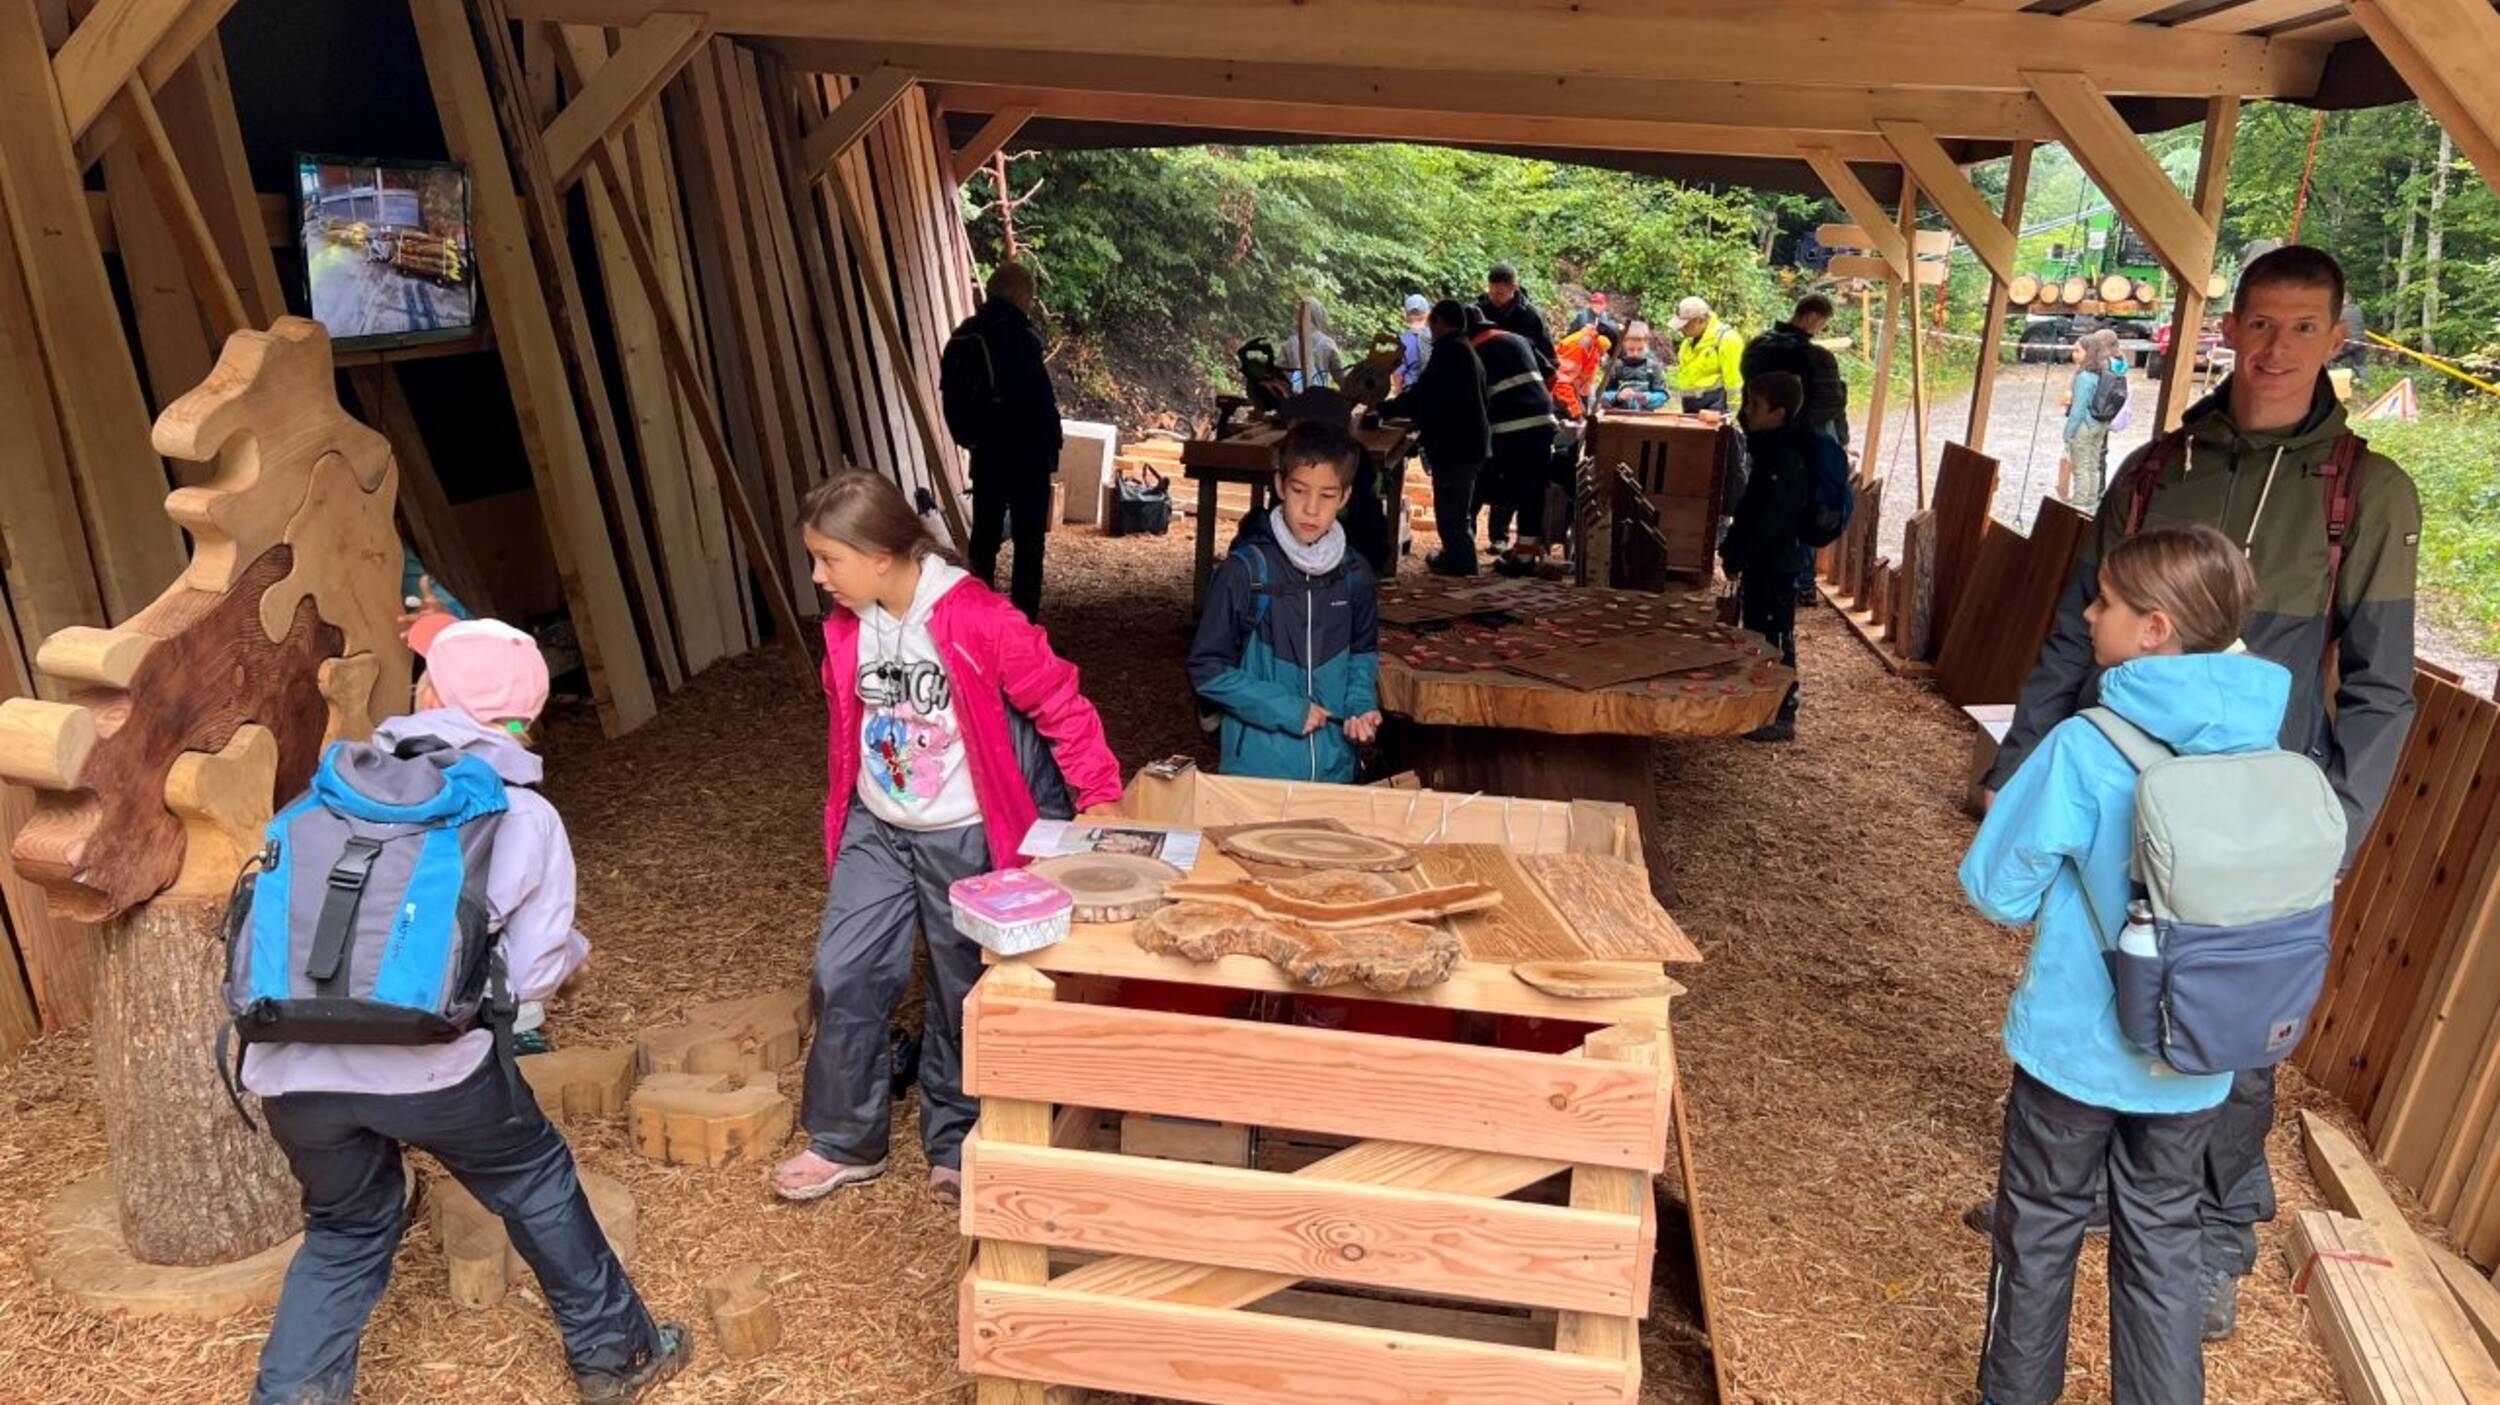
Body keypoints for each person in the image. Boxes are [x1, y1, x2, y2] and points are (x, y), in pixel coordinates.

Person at [1973, 245, 2421, 1341]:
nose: (2275, 348)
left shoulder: (2366, 491)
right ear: (2228, 328)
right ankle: (2076, 1193)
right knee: (2098, 974)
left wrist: (2335, 828)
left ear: (2335, 338)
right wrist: (2020, 764)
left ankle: (2215, 1234)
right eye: (2258, 323)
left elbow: (2380, 685)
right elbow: (2073, 630)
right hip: (2127, 786)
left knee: (2230, 1019)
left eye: (2302, 327)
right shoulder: (2152, 471)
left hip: (2253, 817)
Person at [245, 617, 690, 1405]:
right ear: (529, 716)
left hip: (291, 1065)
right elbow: (535, 970)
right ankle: (615, 1354)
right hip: (435, 1064)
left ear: (428, 697)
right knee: (533, 1177)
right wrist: (565, 963)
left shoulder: (324, 795)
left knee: (345, 1228)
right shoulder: (521, 814)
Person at [1963, 525, 2275, 1405]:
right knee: (2165, 1237)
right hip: (2197, 1048)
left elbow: (1996, 889)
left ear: (2155, 628)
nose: (2089, 614)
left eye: (2105, 602)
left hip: (2077, 1045)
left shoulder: (2087, 746)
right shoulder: (2266, 748)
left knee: (2040, 1226)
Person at [771, 471, 1123, 1207]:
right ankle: (844, 1139)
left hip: (963, 833)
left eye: (828, 559)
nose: (818, 576)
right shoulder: (849, 623)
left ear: (881, 557)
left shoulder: (978, 618)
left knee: (965, 986)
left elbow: (1059, 700)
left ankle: (958, 1135)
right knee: (842, 969)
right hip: (878, 825)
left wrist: (1100, 796)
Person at [1187, 421, 1382, 783]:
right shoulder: (1244, 572)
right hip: (1257, 775)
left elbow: (1362, 654)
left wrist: (1360, 708)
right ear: (1279, 485)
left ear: (1345, 497)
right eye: (1299, 490)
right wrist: (1288, 710)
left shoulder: (1355, 574)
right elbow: (1207, 670)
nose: (1311, 509)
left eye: (1327, 495)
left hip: (1335, 774)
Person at [942, 262, 1062, 622]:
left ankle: (976, 619)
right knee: (1028, 545)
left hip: (986, 454)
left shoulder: (965, 335)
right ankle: (1022, 625)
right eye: (1029, 298)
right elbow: (1037, 401)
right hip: (1026, 456)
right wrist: (1050, 445)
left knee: (984, 541)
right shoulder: (1019, 337)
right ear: (1019, 296)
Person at [1720, 372, 1813, 743]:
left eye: (1755, 405)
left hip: (1776, 562)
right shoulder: (1769, 448)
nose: (1747, 411)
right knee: (1758, 630)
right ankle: (1760, 701)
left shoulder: (1784, 459)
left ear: (1779, 413)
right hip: (1764, 561)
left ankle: (1782, 711)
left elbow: (1766, 519)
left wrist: (1737, 553)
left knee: (1774, 635)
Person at [1376, 299, 1490, 577]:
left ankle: (1462, 569)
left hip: (1457, 447)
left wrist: (1384, 409)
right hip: (1467, 444)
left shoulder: (1451, 351)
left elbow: (1423, 396)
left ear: (1439, 322)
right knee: (1455, 511)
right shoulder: (1464, 349)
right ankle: (1455, 559)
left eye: (1432, 322)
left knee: (1451, 513)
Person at [1466, 306, 1561, 578]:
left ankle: (1461, 549)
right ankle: (1525, 557)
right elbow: (1551, 376)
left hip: (1509, 428)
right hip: (1543, 423)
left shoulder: (1473, 352)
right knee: (1533, 490)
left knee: (1481, 484)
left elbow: (1469, 402)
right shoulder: (1518, 339)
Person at [1741, 293, 1850, 445]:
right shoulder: (1816, 356)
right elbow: (1832, 404)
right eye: (1822, 324)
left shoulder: (1756, 345)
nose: (1820, 330)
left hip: (1758, 429)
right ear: (1812, 317)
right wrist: (1843, 441)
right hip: (1802, 440)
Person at [2062, 329, 2128, 509]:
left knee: (2081, 468)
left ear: (2088, 352)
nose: (2073, 354)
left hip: (2085, 425)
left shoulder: (2084, 377)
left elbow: (2078, 410)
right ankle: (2092, 502)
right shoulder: (2102, 373)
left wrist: (2068, 433)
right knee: (2093, 465)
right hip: (2100, 424)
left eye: (2077, 351)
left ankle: (2079, 503)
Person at [1670, 295, 1746, 415]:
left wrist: (1735, 415)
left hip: (1717, 411)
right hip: (1691, 410)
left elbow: (1735, 382)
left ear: (1700, 320)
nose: (1681, 329)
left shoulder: (1727, 339)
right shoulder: (1687, 343)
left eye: (1685, 324)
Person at [1476, 263, 1557, 373]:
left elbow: (1550, 359)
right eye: (1491, 292)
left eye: (1500, 294)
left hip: (1524, 376)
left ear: (1514, 288)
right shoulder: (1478, 312)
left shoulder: (1532, 316)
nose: (1494, 298)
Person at [1277, 294, 1346, 391]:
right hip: (1319, 396)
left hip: (1295, 398)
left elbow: (1278, 373)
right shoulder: (1328, 344)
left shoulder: (1290, 344)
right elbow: (1340, 376)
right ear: (1319, 316)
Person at [1550, 318, 1613, 423]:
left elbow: (1585, 385)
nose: (1604, 356)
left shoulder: (1593, 349)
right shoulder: (1578, 346)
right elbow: (1560, 384)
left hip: (1568, 399)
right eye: (1605, 352)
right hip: (1554, 399)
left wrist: (1587, 409)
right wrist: (1577, 414)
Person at [1602, 320, 1670, 411]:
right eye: (1631, 349)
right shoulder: (1615, 367)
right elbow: (1601, 395)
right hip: (1620, 415)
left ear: (1646, 345)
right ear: (1624, 345)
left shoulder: (1653, 367)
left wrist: (1649, 398)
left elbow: (1663, 395)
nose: (1635, 354)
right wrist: (1617, 396)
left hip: (1645, 415)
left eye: (1640, 349)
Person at [1393, 293, 1433, 394]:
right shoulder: (1437, 337)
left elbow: (1398, 375)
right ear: (1428, 314)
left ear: (1405, 316)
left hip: (1411, 394)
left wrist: (1399, 394)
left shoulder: (1403, 341)